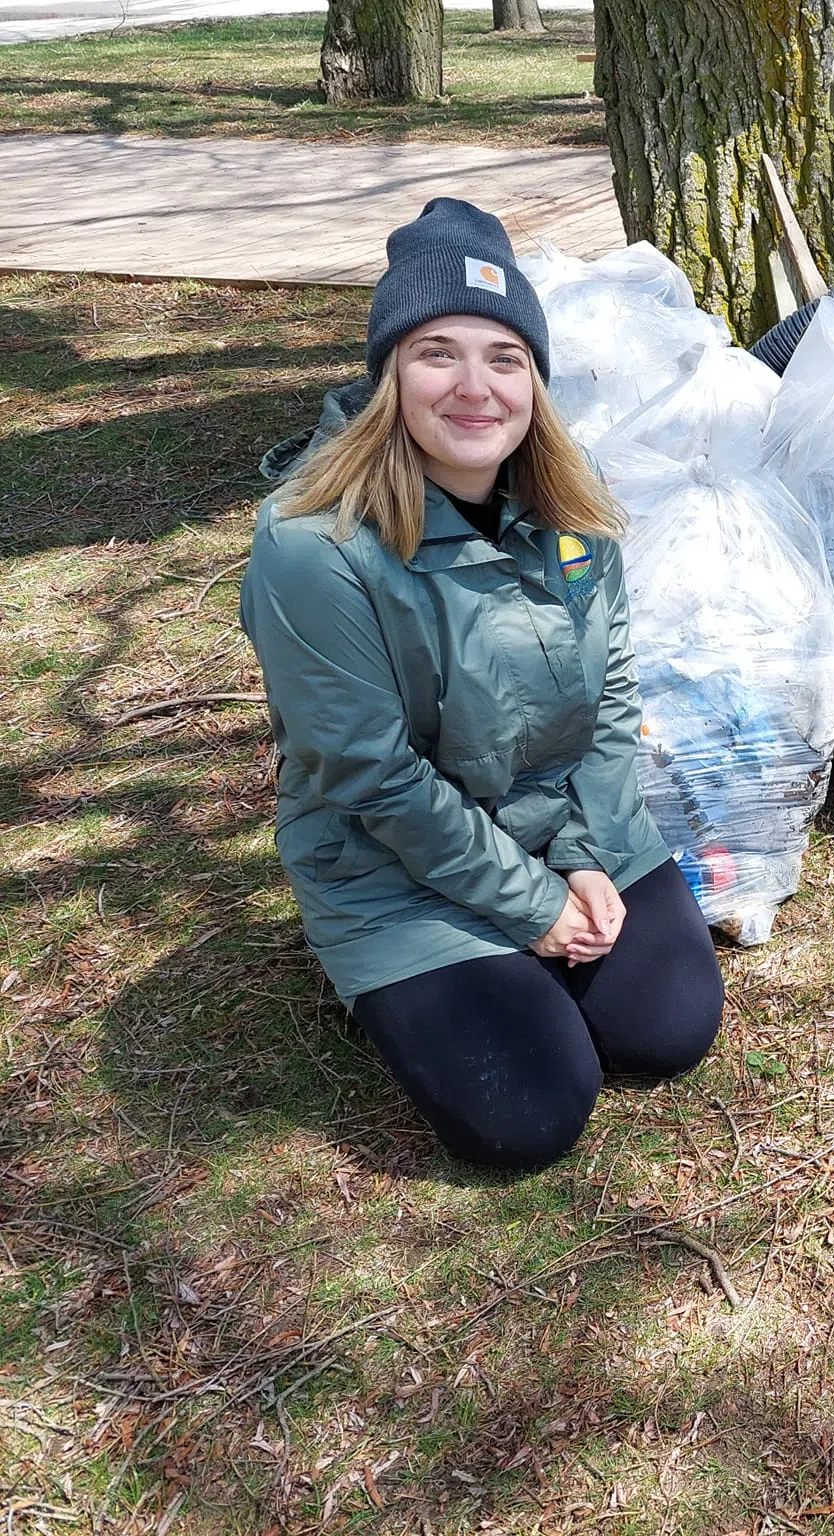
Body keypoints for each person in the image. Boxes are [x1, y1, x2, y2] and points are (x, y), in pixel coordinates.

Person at [240, 199, 723, 1170]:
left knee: (669, 1028)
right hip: (392, 861)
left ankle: (531, 941)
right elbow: (372, 777)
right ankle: (409, 971)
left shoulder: (565, 498)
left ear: (534, 381)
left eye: (504, 358)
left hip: (556, 815)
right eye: (436, 354)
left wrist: (584, 855)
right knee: (530, 1115)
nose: (474, 388)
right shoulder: (311, 548)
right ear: (388, 377)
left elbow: (610, 694)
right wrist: (531, 908)